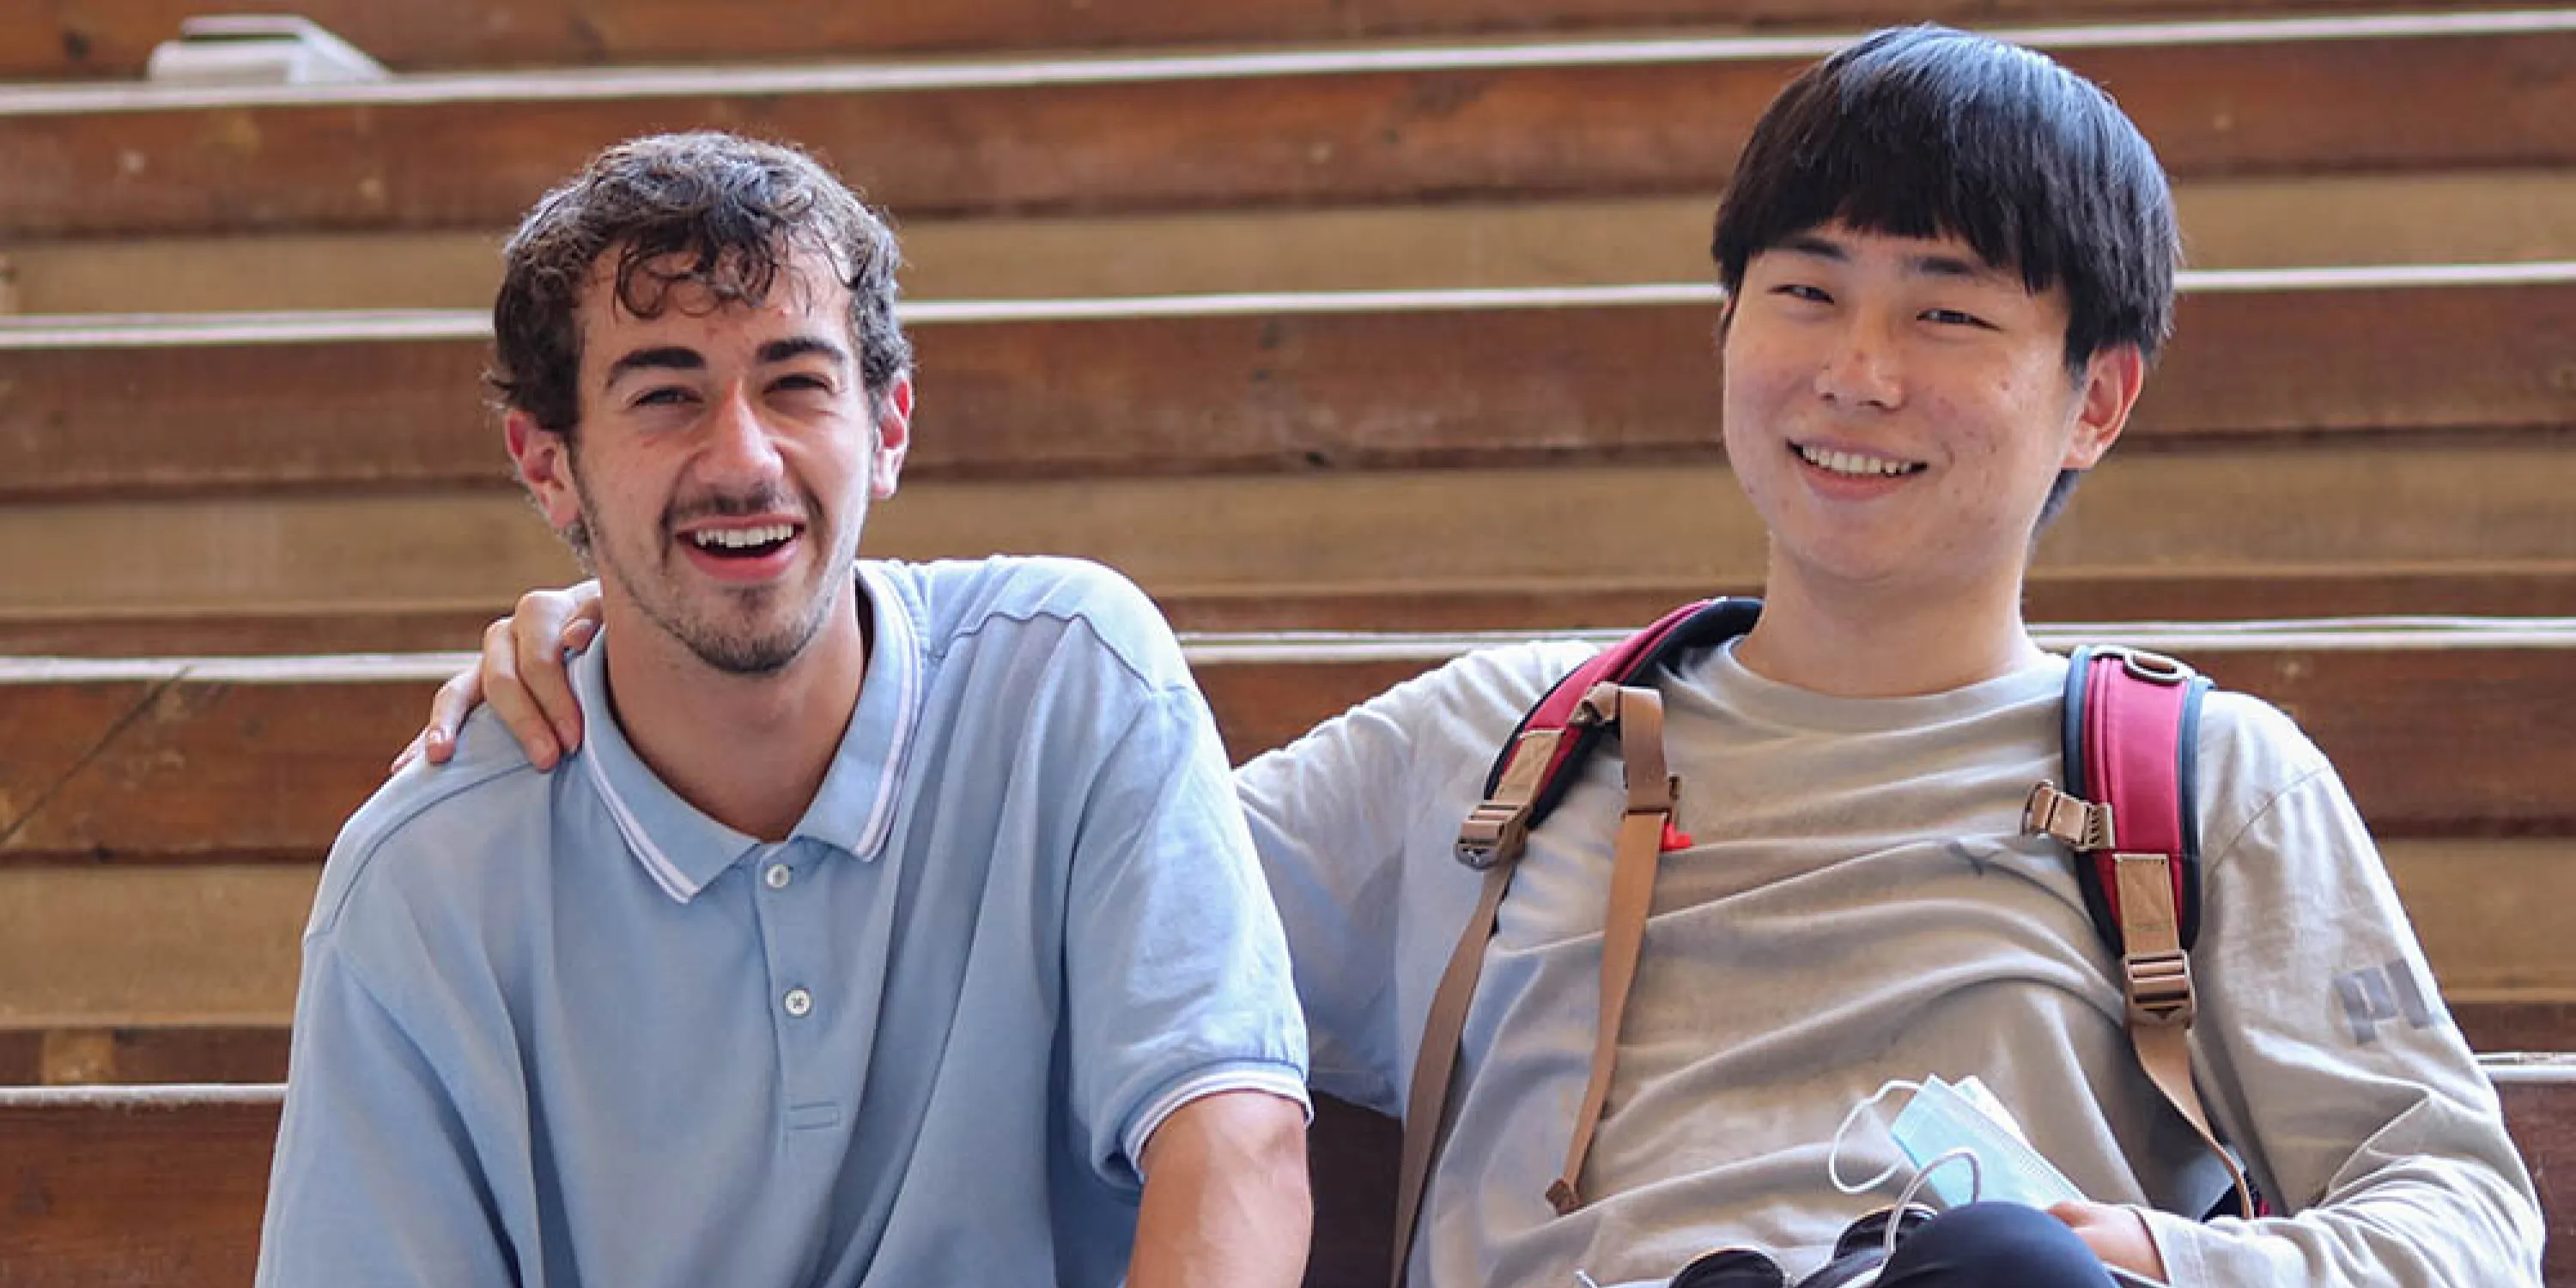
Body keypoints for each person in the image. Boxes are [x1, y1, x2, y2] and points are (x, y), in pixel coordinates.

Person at [412, 30, 2542, 1288]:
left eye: (1953, 315)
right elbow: (1029, 898)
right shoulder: (1503, 750)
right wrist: (691, 627)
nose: (1855, 372)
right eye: (1801, 295)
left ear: (2098, 399)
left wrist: (2121, 1260)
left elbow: (2458, 1215)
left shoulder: (2199, 779)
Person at [260, 131, 1312, 1288]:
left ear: (889, 427)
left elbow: (1237, 1140)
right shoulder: (423, 882)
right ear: (548, 462)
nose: (745, 457)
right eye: (666, 394)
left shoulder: (1071, 681)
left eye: (796, 383)